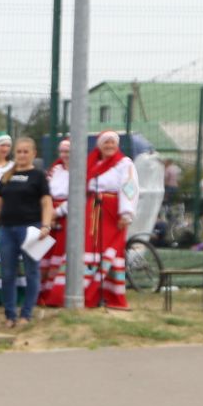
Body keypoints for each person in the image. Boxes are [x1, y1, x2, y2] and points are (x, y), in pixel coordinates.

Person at [0, 137, 54, 328]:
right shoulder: (6, 176)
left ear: (34, 154)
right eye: (19, 151)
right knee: (8, 273)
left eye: (26, 152)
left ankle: (26, 314)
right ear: (14, 154)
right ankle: (10, 315)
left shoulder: (38, 176)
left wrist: (45, 225)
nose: (22, 155)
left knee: (31, 272)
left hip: (30, 229)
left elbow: (46, 202)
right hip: (7, 230)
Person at [84, 130, 138, 310]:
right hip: (93, 210)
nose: (109, 146)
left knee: (111, 252)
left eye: (112, 143)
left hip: (112, 212)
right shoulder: (92, 163)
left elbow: (129, 187)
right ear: (99, 145)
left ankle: (110, 294)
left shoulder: (124, 163)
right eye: (105, 143)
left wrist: (126, 213)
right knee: (91, 250)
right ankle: (89, 292)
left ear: (117, 145)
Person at [38, 138, 73, 308]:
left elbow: (78, 194)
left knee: (62, 251)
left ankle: (58, 293)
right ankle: (43, 292)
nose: (65, 155)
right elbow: (46, 192)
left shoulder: (80, 171)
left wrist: (58, 212)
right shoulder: (55, 170)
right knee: (46, 251)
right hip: (50, 213)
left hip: (67, 215)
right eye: (63, 152)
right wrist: (48, 211)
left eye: (68, 152)